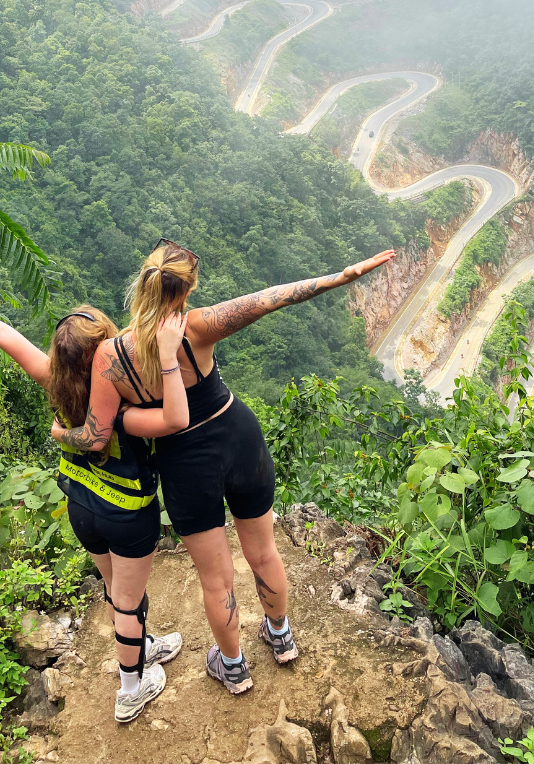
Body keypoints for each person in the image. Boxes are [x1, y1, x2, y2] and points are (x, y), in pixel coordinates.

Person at [77, 240, 394, 695]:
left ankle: (233, 666)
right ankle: (281, 637)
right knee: (263, 551)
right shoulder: (197, 326)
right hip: (239, 438)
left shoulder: (110, 356)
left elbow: (97, 431)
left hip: (185, 465)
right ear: (186, 291)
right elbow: (271, 298)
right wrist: (343, 275)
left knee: (216, 576)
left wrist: (66, 433)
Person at [0, 295, 189, 723]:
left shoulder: (52, 380)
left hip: (82, 508)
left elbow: (3, 332)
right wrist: (170, 352)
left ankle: (139, 646)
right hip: (127, 515)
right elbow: (176, 419)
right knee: (127, 602)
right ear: (103, 349)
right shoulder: (123, 402)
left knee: (119, 595)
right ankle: (130, 690)